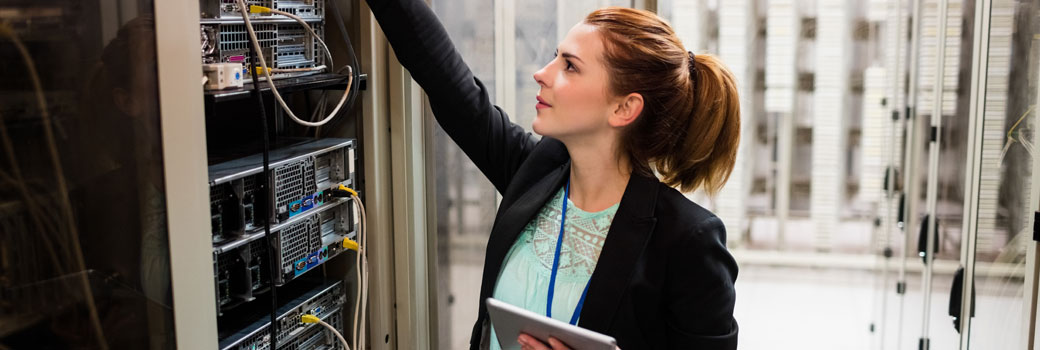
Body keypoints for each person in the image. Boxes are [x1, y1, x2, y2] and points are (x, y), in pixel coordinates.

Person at [365, 0, 740, 348]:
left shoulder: (688, 241)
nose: (541, 74)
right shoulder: (535, 173)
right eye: (554, 57)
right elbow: (448, 83)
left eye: (570, 66)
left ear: (624, 108)